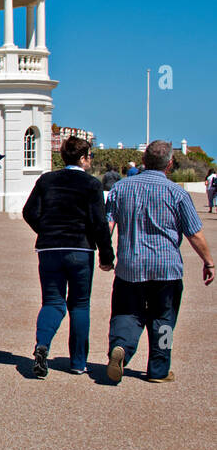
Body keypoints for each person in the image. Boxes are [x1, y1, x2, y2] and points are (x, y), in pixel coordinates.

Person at [104, 140, 214, 384]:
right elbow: (194, 233)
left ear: (144, 161)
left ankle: (120, 346)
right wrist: (208, 261)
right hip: (166, 268)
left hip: (130, 266)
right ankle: (159, 369)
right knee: (164, 319)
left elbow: (108, 225)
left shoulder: (121, 188)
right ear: (170, 164)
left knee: (126, 312)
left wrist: (105, 256)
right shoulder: (177, 193)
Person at [20, 136, 114, 378]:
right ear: (82, 158)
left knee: (52, 302)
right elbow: (99, 223)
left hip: (49, 249)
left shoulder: (46, 180)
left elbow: (29, 212)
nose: (90, 160)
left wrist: (46, 230)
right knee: (80, 304)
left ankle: (42, 346)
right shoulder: (91, 184)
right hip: (80, 249)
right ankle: (78, 363)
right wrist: (106, 255)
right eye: (89, 156)